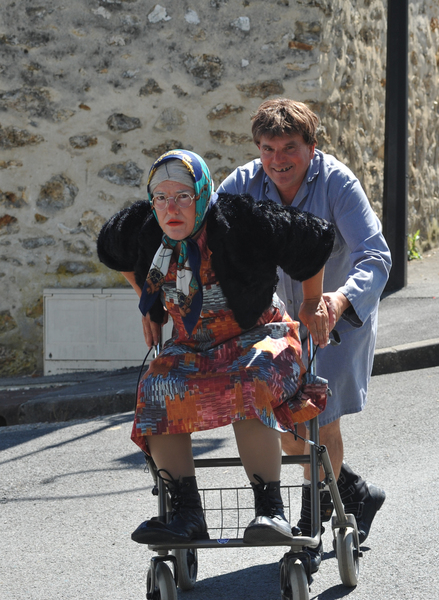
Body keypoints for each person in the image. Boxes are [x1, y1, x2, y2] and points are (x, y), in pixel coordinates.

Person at [96, 149, 336, 546]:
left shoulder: (241, 220)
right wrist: (149, 306)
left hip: (261, 335)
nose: (171, 208)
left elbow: (314, 239)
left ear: (203, 193)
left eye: (183, 196)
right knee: (157, 385)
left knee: (249, 378)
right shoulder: (144, 227)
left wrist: (312, 302)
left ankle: (270, 510)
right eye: (161, 198)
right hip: (195, 346)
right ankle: (187, 515)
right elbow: (111, 248)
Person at [217, 98, 392, 571]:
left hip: (335, 321)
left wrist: (340, 300)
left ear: (311, 148)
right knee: (292, 432)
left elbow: (376, 257)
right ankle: (354, 490)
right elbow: (208, 238)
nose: (278, 160)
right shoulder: (243, 184)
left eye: (289, 147)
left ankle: (309, 530)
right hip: (276, 328)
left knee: (319, 422)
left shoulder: (338, 183)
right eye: (267, 148)